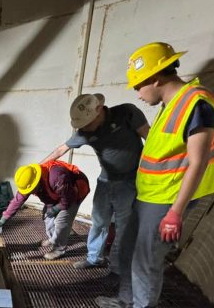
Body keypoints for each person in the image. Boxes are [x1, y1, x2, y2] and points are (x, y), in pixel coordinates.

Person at [96, 42, 214, 308]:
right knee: (128, 249)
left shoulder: (197, 103)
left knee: (146, 259)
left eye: (139, 86)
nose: (137, 93)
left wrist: (176, 213)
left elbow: (198, 161)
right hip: (149, 194)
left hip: (166, 198)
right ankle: (127, 300)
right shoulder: (170, 105)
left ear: (156, 79)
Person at [41, 93, 149, 284]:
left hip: (130, 183)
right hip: (105, 181)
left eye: (86, 124)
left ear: (99, 110)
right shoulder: (85, 132)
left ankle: (117, 270)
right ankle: (94, 259)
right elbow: (61, 149)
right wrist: (37, 168)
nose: (83, 130)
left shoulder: (126, 113)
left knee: (123, 228)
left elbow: (151, 139)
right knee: (99, 221)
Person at [0, 161, 90, 260]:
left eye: (30, 191)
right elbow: (17, 201)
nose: (29, 193)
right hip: (58, 192)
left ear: (36, 182)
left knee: (62, 220)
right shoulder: (29, 180)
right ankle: (53, 239)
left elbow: (69, 198)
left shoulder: (56, 177)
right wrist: (3, 220)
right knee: (47, 216)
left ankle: (59, 249)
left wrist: (56, 208)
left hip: (74, 192)